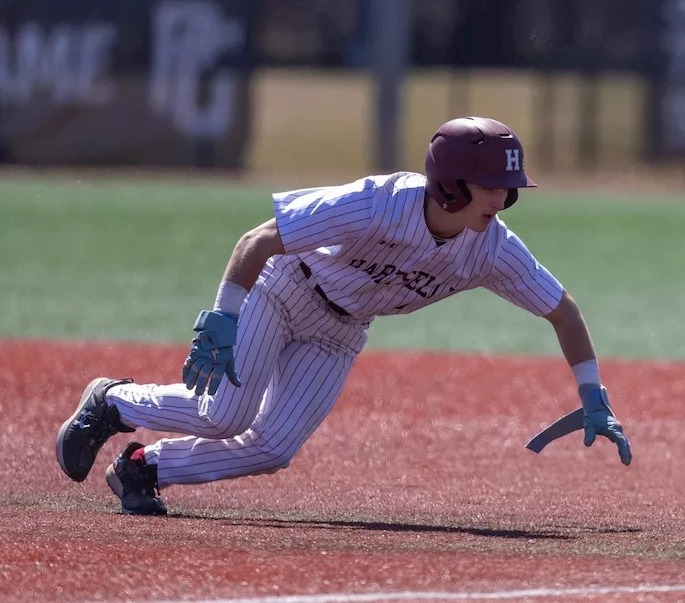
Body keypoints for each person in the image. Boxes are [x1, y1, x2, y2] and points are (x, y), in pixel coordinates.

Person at [55, 116, 632, 515]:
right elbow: (259, 240)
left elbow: (563, 312)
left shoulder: (492, 247)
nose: (503, 199)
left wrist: (593, 394)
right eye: (492, 185)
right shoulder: (379, 202)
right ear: (451, 182)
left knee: (274, 448)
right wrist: (225, 315)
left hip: (339, 332)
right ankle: (113, 400)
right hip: (287, 289)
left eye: (509, 188)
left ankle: (143, 470)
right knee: (224, 414)